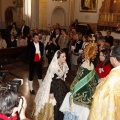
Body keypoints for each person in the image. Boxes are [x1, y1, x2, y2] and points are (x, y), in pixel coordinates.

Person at [60, 42, 99, 120]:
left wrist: (72, 88)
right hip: (88, 95)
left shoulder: (84, 65)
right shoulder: (92, 65)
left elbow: (77, 79)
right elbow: (95, 80)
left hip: (79, 94)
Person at [32, 50, 69, 120]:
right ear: (58, 58)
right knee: (57, 102)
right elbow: (50, 79)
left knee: (63, 101)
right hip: (54, 86)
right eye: (63, 57)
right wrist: (51, 92)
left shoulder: (64, 64)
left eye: (65, 56)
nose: (65, 58)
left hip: (61, 85)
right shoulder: (54, 66)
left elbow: (63, 76)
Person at [89, 45, 120, 120]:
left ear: (114, 58)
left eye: (110, 56)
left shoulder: (114, 76)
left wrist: (101, 83)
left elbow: (100, 95)